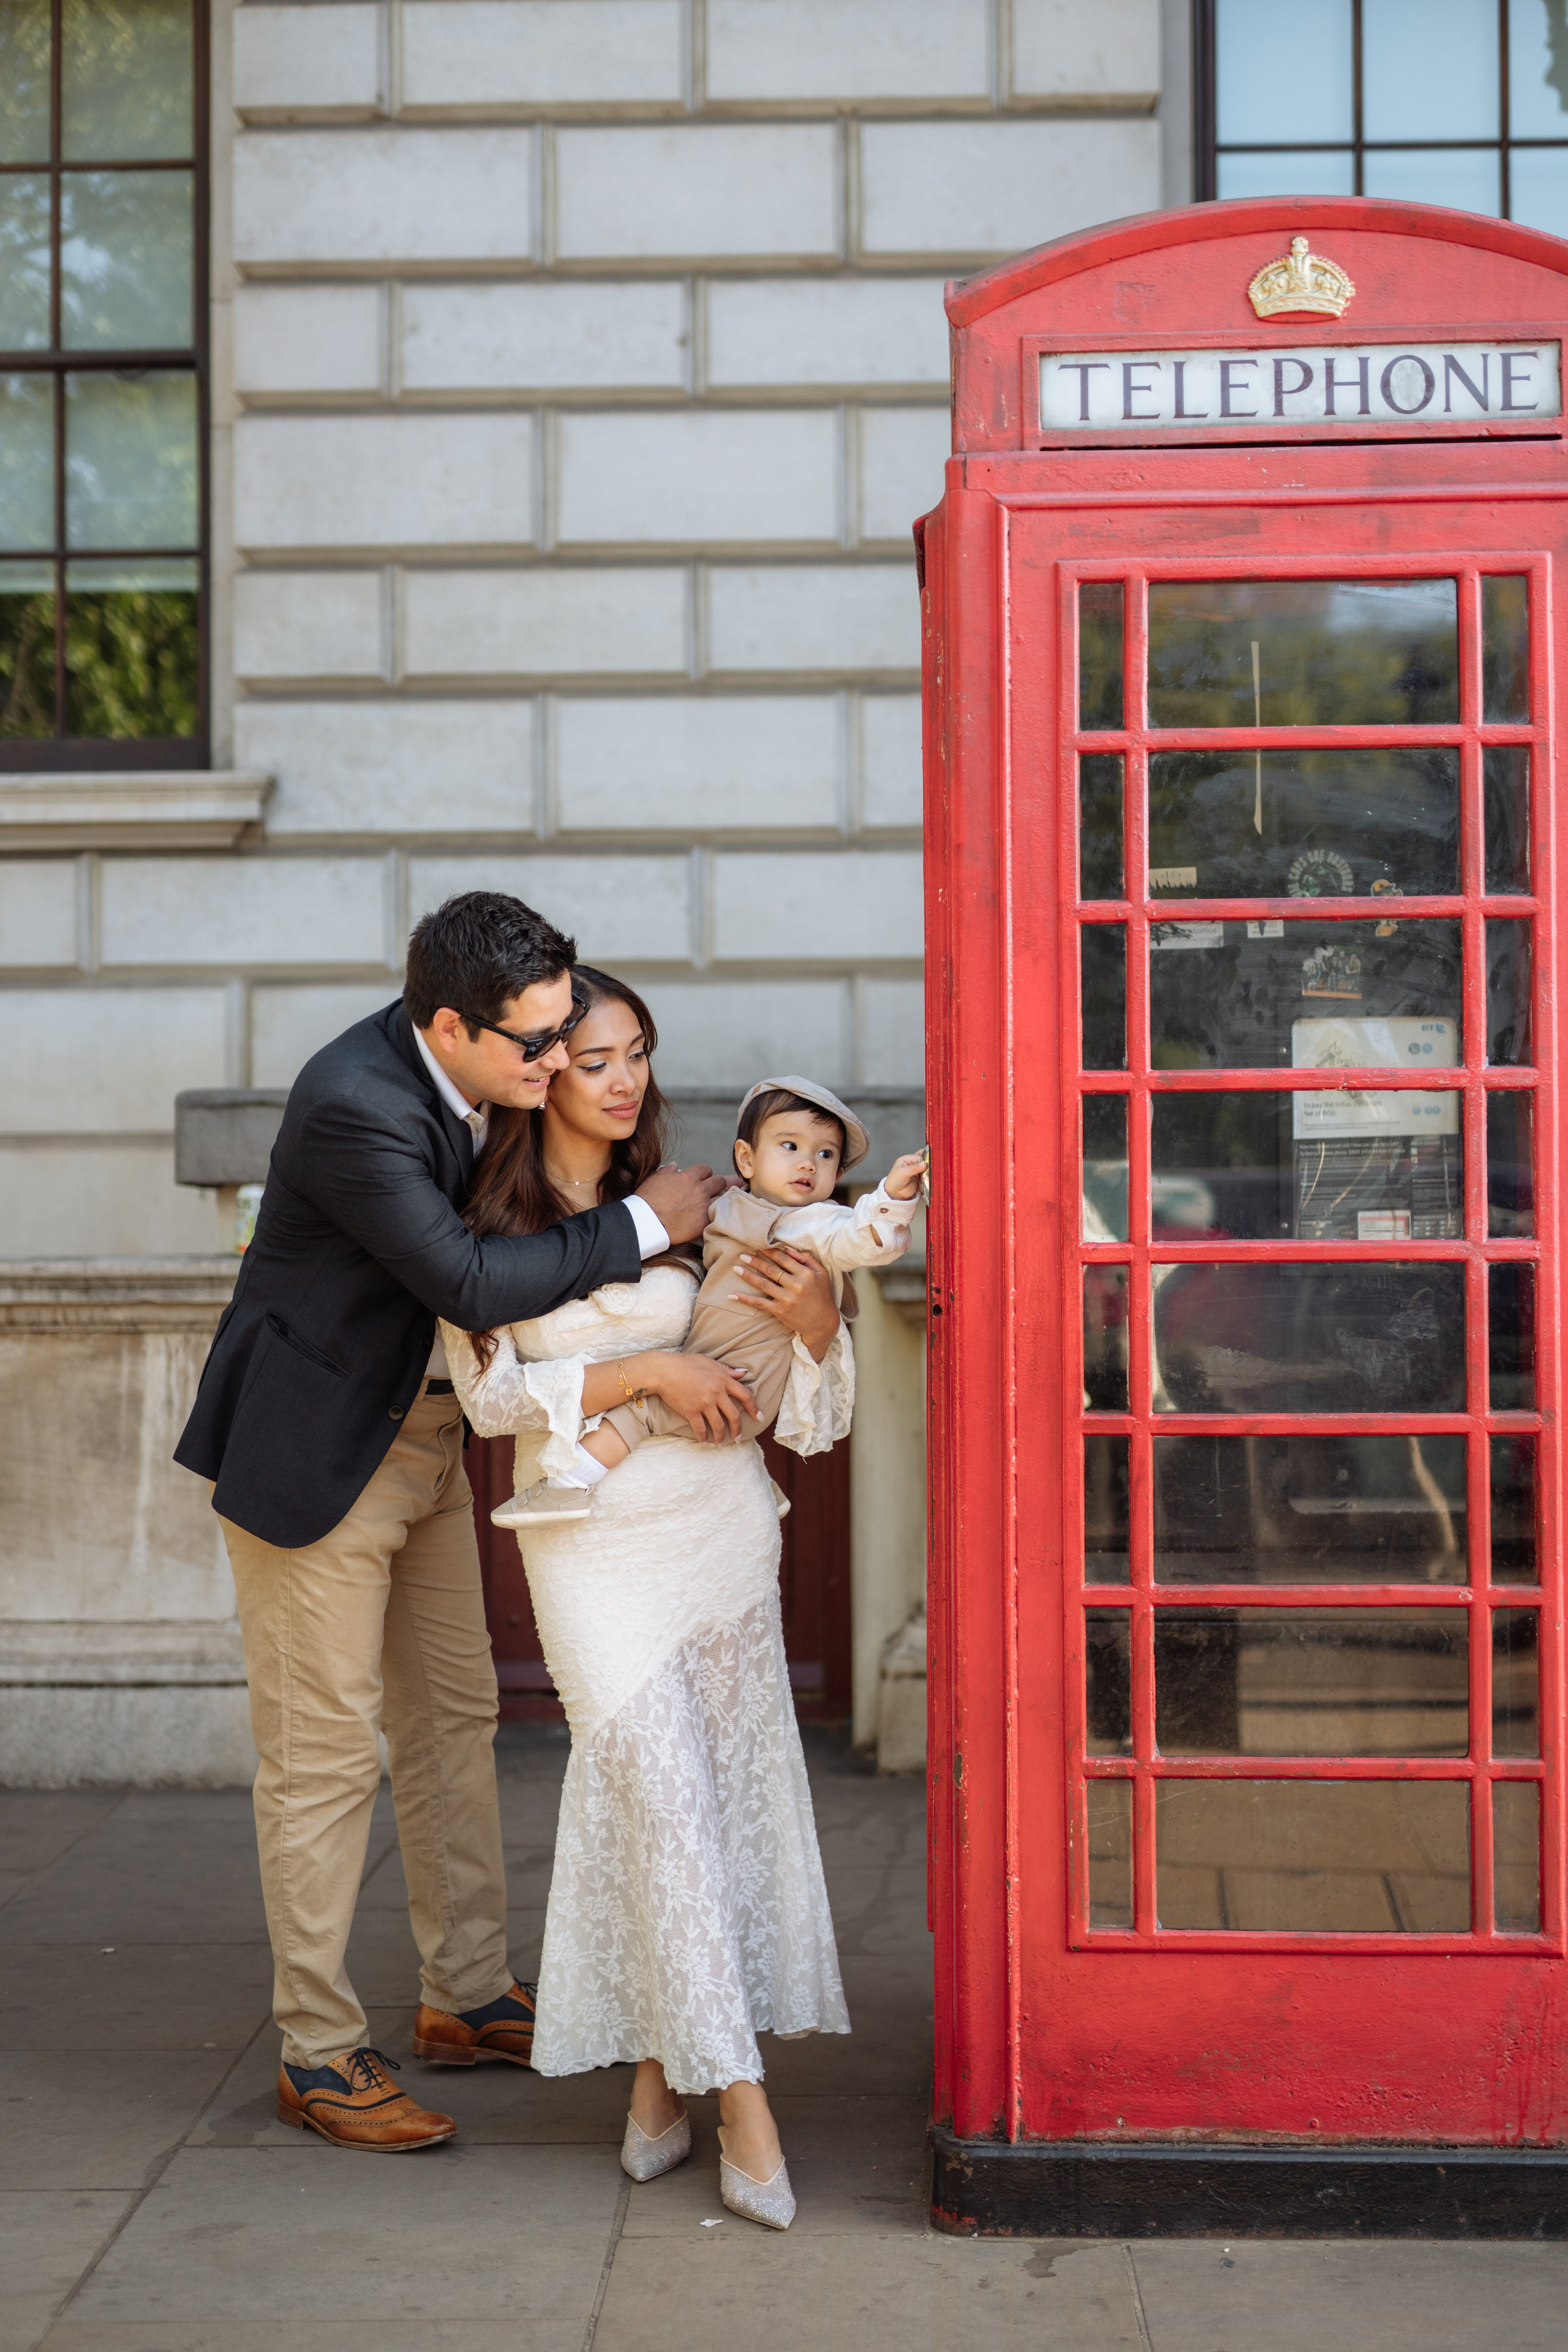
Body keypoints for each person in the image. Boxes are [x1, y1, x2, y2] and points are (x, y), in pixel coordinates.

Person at [173, 892, 739, 2153]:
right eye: (535, 1045)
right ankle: (318, 2056)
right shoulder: (354, 1104)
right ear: (449, 1024)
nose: (554, 1063)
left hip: (434, 1439)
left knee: (454, 1716)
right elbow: (470, 1280)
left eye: (563, 1036)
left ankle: (466, 1994)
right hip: (320, 1455)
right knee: (322, 1758)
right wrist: (651, 1226)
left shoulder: (487, 1077)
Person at [442, 968, 851, 2230]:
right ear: (540, 1067)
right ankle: (744, 2104)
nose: (625, 1080)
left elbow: (810, 1411)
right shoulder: (475, 1218)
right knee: (660, 1801)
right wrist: (649, 1372)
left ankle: (655, 2080)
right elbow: (493, 1401)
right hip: (589, 1548)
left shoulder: (690, 1204)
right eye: (597, 1056)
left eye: (639, 1056)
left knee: (708, 1809)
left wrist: (824, 1319)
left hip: (720, 1528)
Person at [495, 1076, 924, 1524]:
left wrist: (891, 1197)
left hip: (739, 1371)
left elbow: (864, 1238)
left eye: (826, 1154)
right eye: (790, 1146)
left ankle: (569, 1483)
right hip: (719, 1352)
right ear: (746, 1158)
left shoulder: (810, 1223)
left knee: (642, 1411)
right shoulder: (733, 1204)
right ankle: (755, 1480)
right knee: (684, 1398)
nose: (808, 1164)